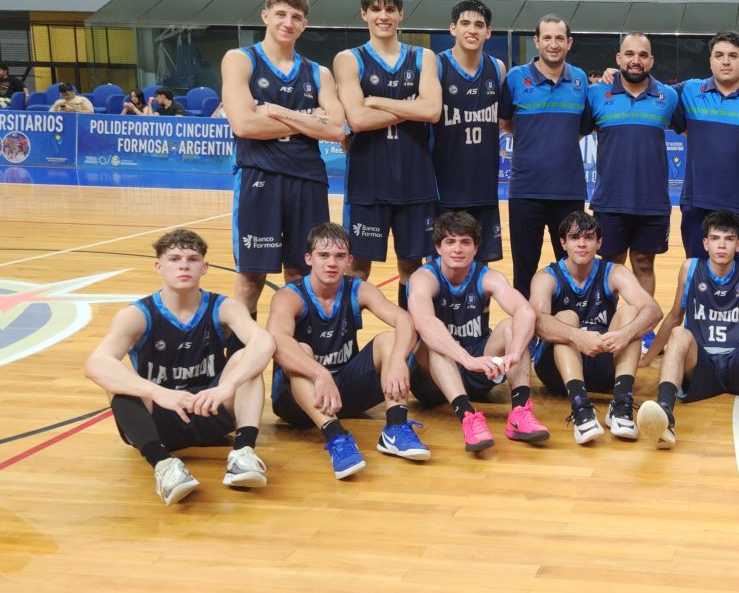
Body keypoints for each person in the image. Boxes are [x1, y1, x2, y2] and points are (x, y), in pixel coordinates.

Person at [84, 230, 275, 505]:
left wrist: (227, 387)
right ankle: (163, 465)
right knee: (116, 378)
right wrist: (157, 392)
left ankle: (243, 452)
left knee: (246, 358)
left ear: (204, 267)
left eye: (192, 259)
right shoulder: (137, 315)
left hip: (210, 409)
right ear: (159, 267)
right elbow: (95, 364)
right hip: (161, 422)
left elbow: (264, 342)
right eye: (174, 259)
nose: (183, 265)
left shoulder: (224, 307)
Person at [221, 0, 346, 323]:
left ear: (304, 24)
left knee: (301, 277)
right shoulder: (240, 60)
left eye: (296, 17)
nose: (287, 22)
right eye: (280, 14)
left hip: (308, 181)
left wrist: (276, 111)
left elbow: (336, 128)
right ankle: (243, 353)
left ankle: (294, 353)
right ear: (265, 16)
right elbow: (244, 124)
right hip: (258, 177)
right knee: (250, 281)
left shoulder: (318, 73)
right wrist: (309, 121)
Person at [638, 211, 739, 450]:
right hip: (701, 363)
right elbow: (674, 316)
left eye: (729, 239)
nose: (722, 245)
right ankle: (664, 415)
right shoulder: (690, 268)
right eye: (715, 238)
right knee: (679, 334)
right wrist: (648, 358)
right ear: (706, 243)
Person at [267, 223, 421, 478]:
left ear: (349, 260)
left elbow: (403, 319)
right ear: (309, 259)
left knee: (389, 340)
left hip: (343, 392)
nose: (332, 263)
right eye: (323, 255)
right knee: (301, 348)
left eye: (339, 256)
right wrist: (319, 374)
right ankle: (336, 437)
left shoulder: (358, 289)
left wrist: (397, 360)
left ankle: (396, 427)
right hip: (298, 401)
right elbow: (278, 343)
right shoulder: (290, 296)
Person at [408, 211, 549, 452]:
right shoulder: (423, 277)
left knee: (511, 326)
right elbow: (425, 324)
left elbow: (525, 311)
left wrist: (515, 352)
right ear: (438, 247)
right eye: (450, 242)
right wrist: (466, 359)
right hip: (431, 380)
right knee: (432, 341)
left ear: (475, 248)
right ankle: (468, 416)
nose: (457, 249)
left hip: (478, 369)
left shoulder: (488, 277)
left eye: (465, 242)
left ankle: (520, 412)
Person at [334, 0, 441, 296]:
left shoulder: (423, 56)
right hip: (367, 180)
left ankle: (411, 329)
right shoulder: (348, 59)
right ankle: (348, 329)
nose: (384, 16)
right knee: (357, 267)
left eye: (390, 9)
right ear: (364, 14)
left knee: (413, 267)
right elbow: (358, 119)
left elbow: (433, 111)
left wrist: (376, 101)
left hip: (415, 178)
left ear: (401, 14)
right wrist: (412, 108)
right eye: (376, 9)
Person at [529, 211, 663, 444]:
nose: (582, 244)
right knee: (567, 316)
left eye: (589, 237)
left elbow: (653, 310)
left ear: (599, 242)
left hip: (602, 365)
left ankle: (621, 404)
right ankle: (580, 407)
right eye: (575, 238)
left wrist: (625, 334)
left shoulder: (614, 272)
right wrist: (577, 337)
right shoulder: (546, 277)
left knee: (632, 314)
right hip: (556, 371)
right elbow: (537, 321)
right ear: (563, 243)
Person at [582, 32, 683, 298]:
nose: (636, 60)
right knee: (611, 266)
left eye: (642, 55)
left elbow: (690, 131)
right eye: (629, 54)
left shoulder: (668, 96)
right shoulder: (596, 94)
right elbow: (574, 135)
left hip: (653, 202)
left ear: (651, 60)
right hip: (610, 201)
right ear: (618, 58)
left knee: (644, 263)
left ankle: (643, 321)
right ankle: (609, 319)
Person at [498, 14, 590, 297]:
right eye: (547, 38)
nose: (553, 44)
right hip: (526, 192)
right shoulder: (516, 78)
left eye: (559, 38)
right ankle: (526, 325)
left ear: (569, 43)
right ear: (536, 41)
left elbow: (580, 128)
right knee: (524, 271)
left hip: (569, 191)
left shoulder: (580, 79)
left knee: (573, 269)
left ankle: (567, 322)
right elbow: (504, 123)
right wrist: (532, 136)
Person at [674, 31, 739, 264]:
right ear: (710, 61)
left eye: (733, 56)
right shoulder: (690, 90)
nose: (726, 61)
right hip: (697, 202)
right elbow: (648, 91)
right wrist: (616, 75)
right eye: (719, 55)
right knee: (696, 269)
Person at [431, 0, 506, 264]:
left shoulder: (497, 68)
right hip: (445, 189)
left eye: (479, 25)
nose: (472, 30)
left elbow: (505, 119)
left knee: (480, 266)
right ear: (453, 28)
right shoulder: (436, 65)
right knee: (441, 265)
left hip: (484, 187)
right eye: (465, 23)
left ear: (488, 32)